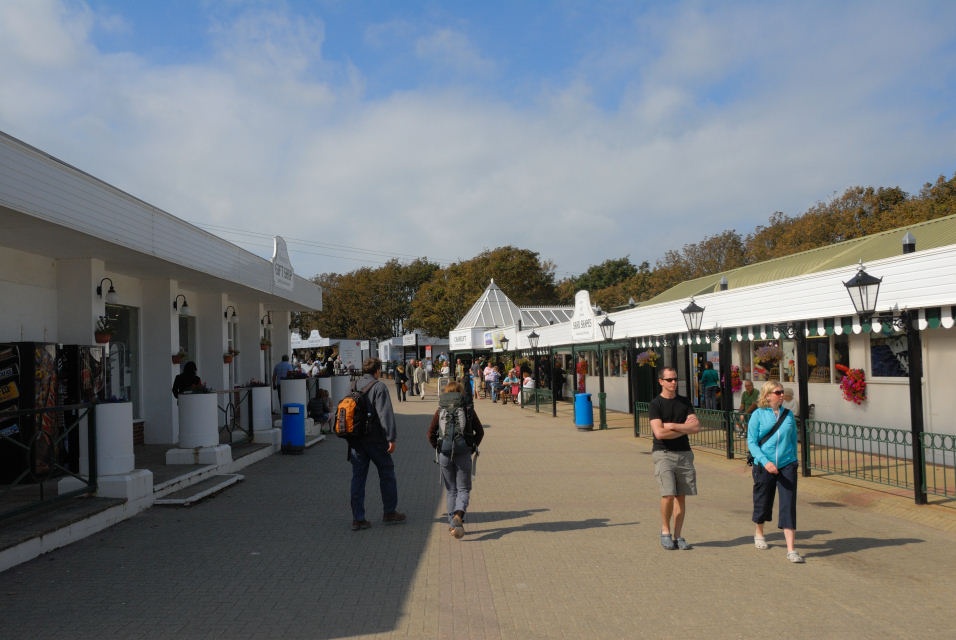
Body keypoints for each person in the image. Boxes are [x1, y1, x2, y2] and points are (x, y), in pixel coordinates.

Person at [748, 380, 803, 563]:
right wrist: (765, 461)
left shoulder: (788, 415)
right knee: (763, 500)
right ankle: (759, 532)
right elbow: (752, 443)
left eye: (782, 392)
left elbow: (793, 439)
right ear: (767, 395)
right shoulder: (757, 415)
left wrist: (794, 461)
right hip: (764, 465)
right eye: (778, 392)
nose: (781, 395)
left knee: (788, 503)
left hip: (787, 465)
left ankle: (791, 550)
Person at [348, 358, 406, 531]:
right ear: (378, 370)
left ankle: (358, 518)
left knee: (358, 478)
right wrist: (391, 438)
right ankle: (389, 512)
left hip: (356, 439)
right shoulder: (379, 387)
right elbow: (385, 414)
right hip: (375, 439)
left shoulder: (355, 385)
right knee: (387, 473)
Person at [648, 366, 701, 551]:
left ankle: (678, 536)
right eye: (669, 380)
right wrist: (682, 428)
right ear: (661, 381)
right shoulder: (656, 404)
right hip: (663, 454)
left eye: (675, 379)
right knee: (668, 494)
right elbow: (659, 433)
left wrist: (671, 426)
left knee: (681, 496)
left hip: (684, 454)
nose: (673, 383)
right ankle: (665, 531)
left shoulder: (684, 402)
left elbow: (695, 428)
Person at [427, 380, 485, 539]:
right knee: (463, 489)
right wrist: (471, 447)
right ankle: (459, 514)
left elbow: (430, 434)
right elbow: (480, 432)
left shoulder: (441, 409)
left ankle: (453, 526)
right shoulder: (468, 409)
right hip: (463, 453)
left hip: (444, 453)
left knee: (451, 490)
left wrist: (438, 448)